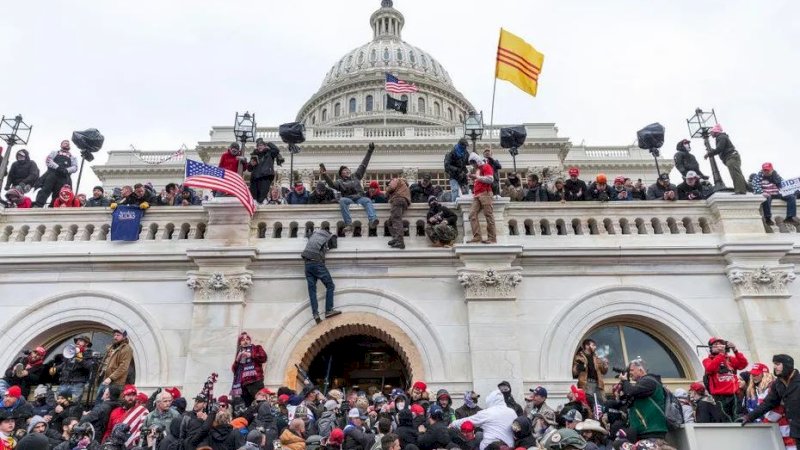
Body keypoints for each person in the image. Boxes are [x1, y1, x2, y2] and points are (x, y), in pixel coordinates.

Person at [320, 143, 378, 233]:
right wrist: (324, 175)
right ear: (341, 174)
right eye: (344, 170)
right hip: (349, 199)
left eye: (347, 170)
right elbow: (331, 184)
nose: (347, 171)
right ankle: (348, 224)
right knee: (342, 200)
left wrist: (370, 151)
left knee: (367, 200)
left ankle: (372, 220)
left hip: (359, 198)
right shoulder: (340, 182)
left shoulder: (356, 176)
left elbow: (364, 164)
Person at [742, 354, 800, 445]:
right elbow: (768, 403)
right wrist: (749, 417)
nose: (775, 367)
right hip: (796, 431)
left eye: (778, 364)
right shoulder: (777, 383)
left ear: (787, 365)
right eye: (774, 364)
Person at [619, 358, 668, 443]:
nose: (630, 373)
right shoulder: (644, 383)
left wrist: (625, 381)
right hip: (645, 431)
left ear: (640, 370)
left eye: (632, 370)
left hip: (652, 432)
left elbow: (630, 392)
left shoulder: (649, 381)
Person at [450, 390, 516, 450]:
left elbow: (469, 420)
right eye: (473, 399)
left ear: (490, 400)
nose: (475, 400)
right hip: (510, 446)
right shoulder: (512, 412)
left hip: (491, 446)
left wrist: (453, 424)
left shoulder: (488, 412)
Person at [702, 337, 748, 422]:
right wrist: (721, 355)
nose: (719, 346)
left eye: (720, 344)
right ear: (711, 348)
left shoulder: (730, 359)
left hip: (734, 394)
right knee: (726, 418)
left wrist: (735, 350)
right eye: (715, 344)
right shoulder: (707, 360)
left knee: (738, 417)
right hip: (720, 396)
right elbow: (710, 368)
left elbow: (743, 364)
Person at [301, 228, 340, 324]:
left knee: (312, 290)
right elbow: (334, 245)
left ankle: (315, 313)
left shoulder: (314, 234)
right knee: (330, 285)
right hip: (317, 263)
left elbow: (307, 235)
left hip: (307, 264)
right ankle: (329, 310)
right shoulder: (330, 236)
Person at [704, 124, 747, 194]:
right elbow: (721, 149)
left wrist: (709, 154)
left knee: (735, 174)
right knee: (737, 173)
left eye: (711, 132)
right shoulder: (721, 137)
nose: (710, 134)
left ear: (715, 131)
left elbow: (719, 149)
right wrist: (711, 150)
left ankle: (740, 190)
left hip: (731, 157)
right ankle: (745, 188)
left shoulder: (721, 137)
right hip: (731, 157)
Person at [34, 140, 78, 207]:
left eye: (68, 144)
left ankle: (53, 207)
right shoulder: (54, 152)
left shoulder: (72, 157)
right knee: (45, 189)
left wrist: (66, 170)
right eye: (65, 143)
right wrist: (57, 167)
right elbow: (48, 160)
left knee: (59, 193)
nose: (67, 144)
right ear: (61, 145)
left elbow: (75, 167)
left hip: (64, 177)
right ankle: (38, 205)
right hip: (52, 174)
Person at [231, 332, 268, 407]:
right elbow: (234, 370)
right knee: (247, 406)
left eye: (247, 339)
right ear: (240, 343)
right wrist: (237, 360)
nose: (245, 341)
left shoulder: (257, 348)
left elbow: (263, 357)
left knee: (260, 402)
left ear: (250, 341)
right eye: (243, 340)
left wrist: (251, 355)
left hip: (255, 381)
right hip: (243, 385)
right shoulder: (239, 352)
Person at [56, 335, 95, 404]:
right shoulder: (71, 351)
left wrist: (81, 360)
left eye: (81, 340)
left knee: (72, 403)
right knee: (59, 402)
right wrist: (56, 369)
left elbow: (90, 367)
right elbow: (64, 365)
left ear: (86, 343)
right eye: (77, 340)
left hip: (77, 383)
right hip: (65, 382)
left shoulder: (89, 354)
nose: (77, 342)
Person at [467, 153, 496, 244]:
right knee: (472, 214)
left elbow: (490, 179)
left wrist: (476, 177)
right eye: (472, 163)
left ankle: (492, 238)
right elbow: (480, 180)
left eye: (473, 163)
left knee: (488, 215)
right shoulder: (478, 170)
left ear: (477, 161)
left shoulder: (486, 166)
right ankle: (477, 236)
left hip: (485, 193)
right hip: (477, 195)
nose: (473, 165)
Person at [97, 329, 134, 399]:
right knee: (99, 403)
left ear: (124, 337)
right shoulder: (112, 347)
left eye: (118, 335)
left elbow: (123, 367)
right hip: (104, 379)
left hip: (115, 383)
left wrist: (111, 378)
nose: (115, 337)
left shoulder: (127, 349)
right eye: (114, 335)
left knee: (108, 404)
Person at [247, 139, 283, 204]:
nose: (259, 147)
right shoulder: (254, 155)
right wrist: (251, 164)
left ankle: (261, 203)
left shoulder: (270, 153)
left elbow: (276, 150)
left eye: (261, 145)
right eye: (258, 146)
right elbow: (249, 169)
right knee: (254, 196)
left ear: (265, 146)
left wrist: (268, 143)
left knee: (262, 195)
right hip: (255, 178)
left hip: (265, 176)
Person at [385, 177, 411, 249]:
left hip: (398, 199)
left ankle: (400, 241)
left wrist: (387, 191)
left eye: (388, 183)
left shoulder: (396, 180)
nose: (388, 184)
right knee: (390, 222)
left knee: (396, 220)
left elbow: (391, 188)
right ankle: (396, 239)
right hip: (403, 201)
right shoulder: (403, 185)